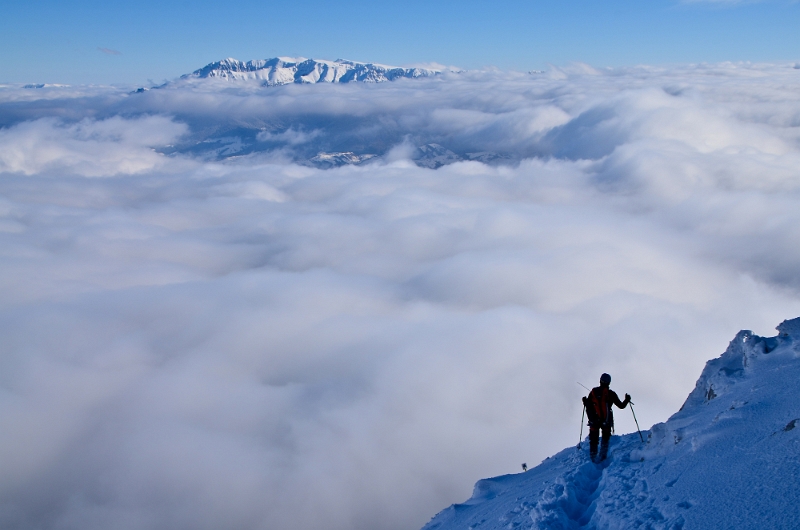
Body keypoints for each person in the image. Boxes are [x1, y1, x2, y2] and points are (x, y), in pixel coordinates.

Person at [582, 373, 630, 462]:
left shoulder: (593, 392)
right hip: (606, 421)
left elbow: (589, 406)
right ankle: (603, 457)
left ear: (600, 381)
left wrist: (585, 401)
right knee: (605, 440)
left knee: (593, 440)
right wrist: (627, 399)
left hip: (594, 421)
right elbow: (621, 406)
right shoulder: (611, 394)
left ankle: (593, 457)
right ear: (609, 382)